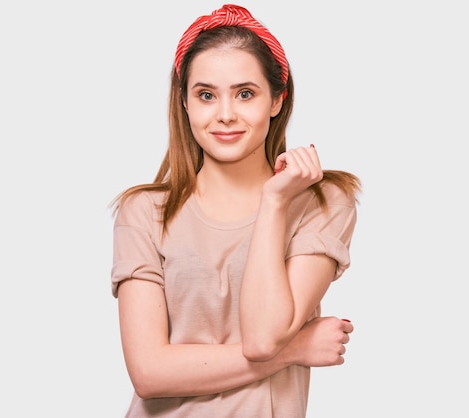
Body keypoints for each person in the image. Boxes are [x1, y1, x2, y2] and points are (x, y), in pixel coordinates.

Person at [109, 4, 361, 417]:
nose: (225, 114)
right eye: (206, 95)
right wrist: (294, 349)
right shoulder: (143, 211)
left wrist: (275, 201)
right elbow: (149, 372)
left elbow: (263, 337)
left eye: (245, 93)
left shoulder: (321, 201)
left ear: (278, 99)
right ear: (185, 103)